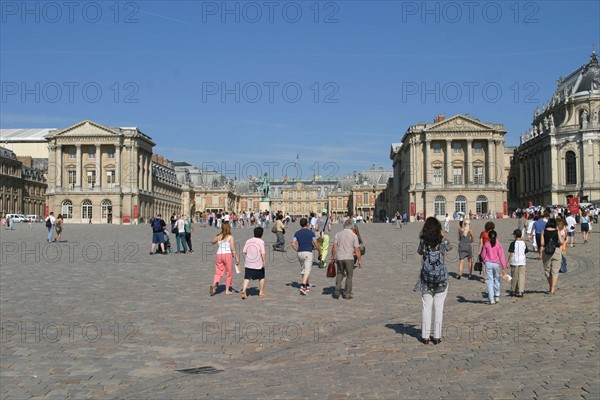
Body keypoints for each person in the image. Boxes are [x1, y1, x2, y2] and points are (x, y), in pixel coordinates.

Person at [416, 217, 450, 345]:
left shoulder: (424, 241)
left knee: (426, 306)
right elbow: (450, 247)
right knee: (439, 307)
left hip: (426, 279)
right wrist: (443, 235)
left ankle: (425, 336)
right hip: (441, 279)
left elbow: (420, 252)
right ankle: (437, 336)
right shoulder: (442, 241)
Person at [330, 218, 362, 299]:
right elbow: (357, 249)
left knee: (340, 273)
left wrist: (333, 256)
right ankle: (347, 293)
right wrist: (359, 260)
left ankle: (337, 290)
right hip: (349, 258)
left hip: (339, 257)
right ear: (352, 226)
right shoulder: (354, 235)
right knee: (349, 275)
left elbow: (334, 246)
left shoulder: (338, 234)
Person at [291, 217, 322, 295]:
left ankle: (307, 285)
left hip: (300, 252)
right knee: (307, 270)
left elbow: (293, 243)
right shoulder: (311, 233)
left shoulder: (297, 233)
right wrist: (319, 251)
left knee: (303, 269)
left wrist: (297, 249)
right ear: (307, 224)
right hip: (308, 252)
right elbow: (315, 242)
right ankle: (303, 286)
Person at [210, 215, 239, 296]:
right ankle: (227, 290)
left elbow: (212, 241)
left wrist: (217, 237)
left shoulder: (219, 236)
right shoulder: (230, 237)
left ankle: (213, 285)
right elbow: (233, 249)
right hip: (227, 255)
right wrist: (236, 258)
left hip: (219, 255)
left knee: (218, 272)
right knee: (229, 273)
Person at [480, 230, 506, 304]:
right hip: (496, 264)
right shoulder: (498, 245)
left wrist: (484, 259)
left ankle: (491, 298)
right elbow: (502, 256)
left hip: (488, 263)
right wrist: (504, 266)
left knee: (489, 281)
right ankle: (497, 295)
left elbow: (483, 255)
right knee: (496, 279)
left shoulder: (487, 244)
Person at [541, 218, 564, 295]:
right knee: (555, 271)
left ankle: (551, 286)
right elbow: (561, 242)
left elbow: (542, 243)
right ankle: (552, 289)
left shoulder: (544, 231)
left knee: (547, 271)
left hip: (547, 251)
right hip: (556, 251)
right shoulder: (557, 231)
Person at [241, 227, 266, 299]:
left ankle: (244, 290)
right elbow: (263, 253)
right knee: (261, 277)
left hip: (248, 263)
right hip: (258, 263)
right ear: (261, 234)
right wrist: (264, 261)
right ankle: (261, 292)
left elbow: (244, 251)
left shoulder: (248, 240)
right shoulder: (261, 241)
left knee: (247, 277)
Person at [507, 229, 528, 297]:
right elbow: (526, 251)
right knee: (521, 276)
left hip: (515, 261)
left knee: (514, 276)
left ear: (515, 236)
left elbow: (511, 253)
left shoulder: (513, 243)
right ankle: (520, 291)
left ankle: (513, 290)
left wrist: (508, 262)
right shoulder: (524, 243)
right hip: (522, 261)